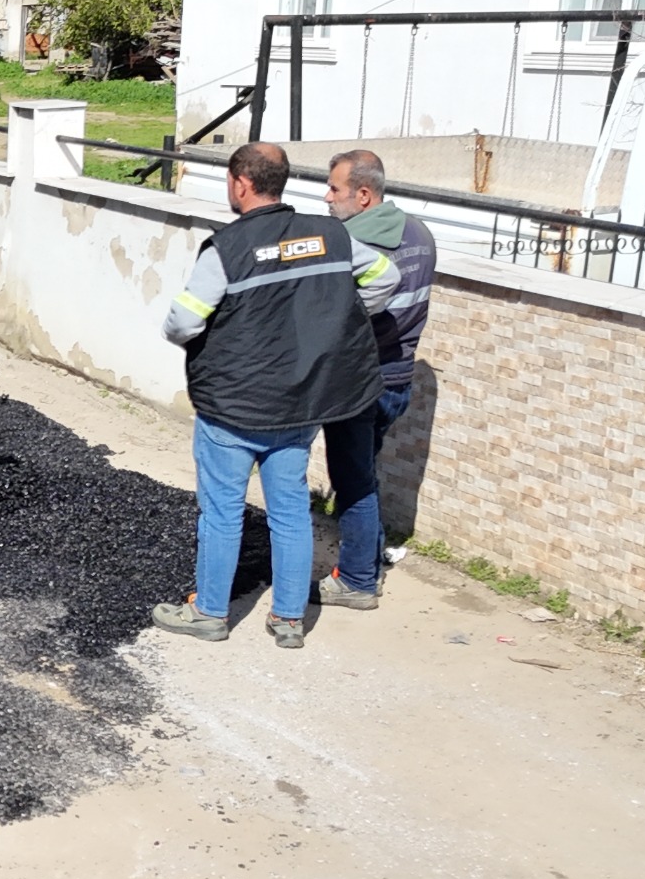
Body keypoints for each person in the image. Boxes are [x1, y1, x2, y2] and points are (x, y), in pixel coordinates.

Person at [153, 143, 397, 648]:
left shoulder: (228, 249)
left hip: (234, 407)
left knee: (222, 511)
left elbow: (183, 322)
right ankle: (288, 620)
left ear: (240, 184)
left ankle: (211, 613)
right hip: (299, 404)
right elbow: (383, 279)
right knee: (289, 511)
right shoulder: (330, 234)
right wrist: (336, 323)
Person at [314, 149, 437, 610]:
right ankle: (369, 555)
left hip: (361, 383)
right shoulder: (420, 233)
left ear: (364, 195)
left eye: (334, 189)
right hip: (400, 379)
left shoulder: (349, 245)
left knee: (353, 482)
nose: (327, 199)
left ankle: (359, 581)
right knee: (364, 470)